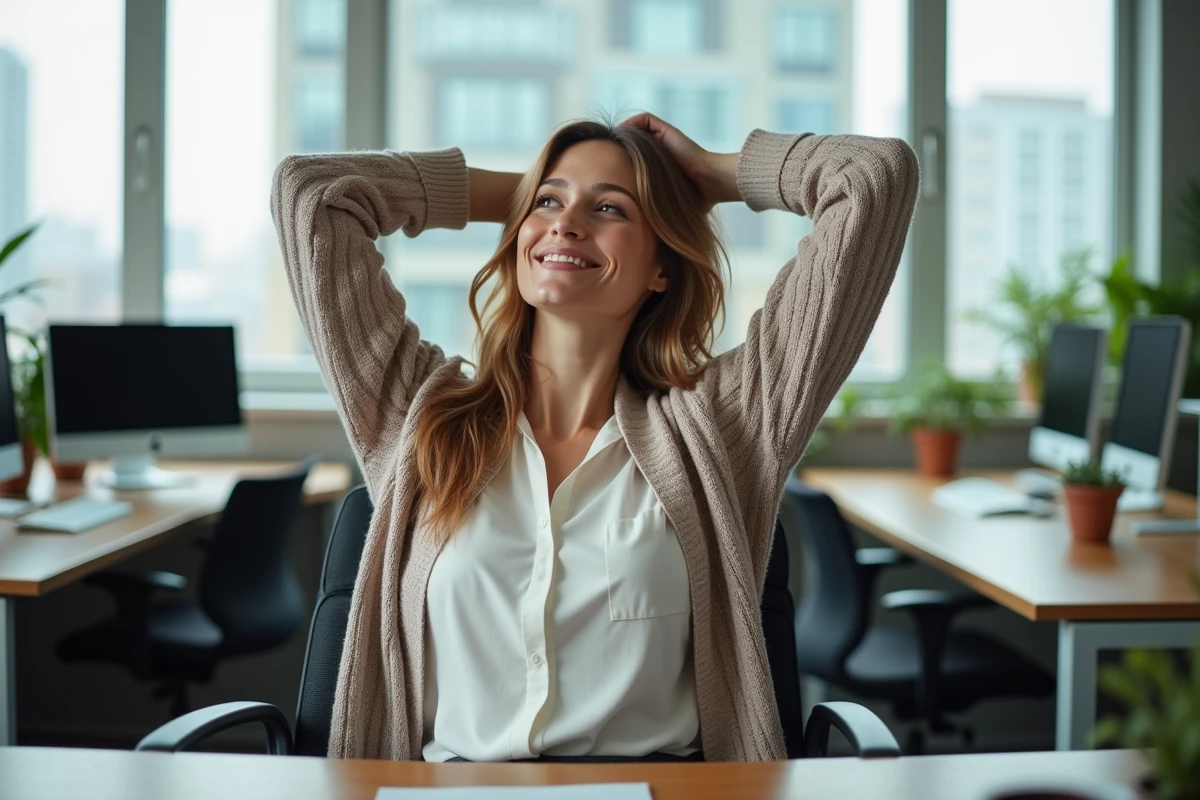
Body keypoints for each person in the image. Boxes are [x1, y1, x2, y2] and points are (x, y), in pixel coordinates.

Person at [271, 113, 919, 763]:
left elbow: (872, 178)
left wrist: (708, 175)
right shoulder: (419, 418)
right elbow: (310, 194)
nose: (566, 223)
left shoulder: (726, 429)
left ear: (660, 268)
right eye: (548, 203)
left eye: (611, 209)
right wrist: (517, 195)